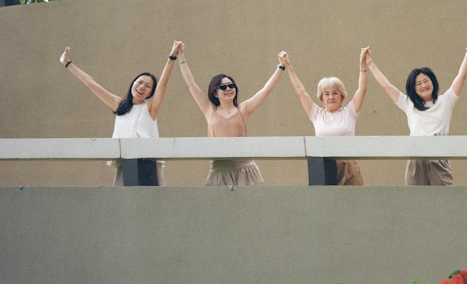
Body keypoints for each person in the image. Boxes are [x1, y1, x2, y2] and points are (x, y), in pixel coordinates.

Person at [59, 41, 181, 185]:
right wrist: (67, 63)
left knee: (147, 203)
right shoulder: (120, 105)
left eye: (148, 86)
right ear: (133, 83)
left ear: (150, 93)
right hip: (125, 162)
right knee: (125, 201)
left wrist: (172, 57)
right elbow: (91, 84)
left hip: (146, 162)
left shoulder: (150, 108)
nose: (142, 87)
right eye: (140, 82)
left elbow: (163, 84)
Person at [366, 34, 467, 185]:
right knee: (414, 202)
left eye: (426, 81)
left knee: (445, 200)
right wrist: (370, 63)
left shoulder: (446, 100)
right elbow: (386, 86)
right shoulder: (408, 104)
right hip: (416, 158)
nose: (423, 85)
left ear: (433, 82)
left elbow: (461, 76)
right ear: (413, 88)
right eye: (418, 83)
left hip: (438, 157)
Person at [178, 45, 286, 186]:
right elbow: (191, 84)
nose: (228, 89)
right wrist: (180, 56)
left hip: (243, 168)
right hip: (219, 169)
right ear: (215, 93)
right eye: (223, 87)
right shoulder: (209, 110)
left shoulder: (244, 109)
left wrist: (281, 66)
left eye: (231, 85)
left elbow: (265, 90)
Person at [282, 49, 368, 185]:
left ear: (342, 95)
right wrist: (289, 67)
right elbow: (301, 92)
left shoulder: (349, 112)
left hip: (348, 167)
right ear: (321, 97)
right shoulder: (316, 114)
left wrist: (362, 66)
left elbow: (362, 90)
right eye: (327, 94)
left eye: (335, 93)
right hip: (324, 166)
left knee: (351, 204)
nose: (331, 97)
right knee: (326, 203)